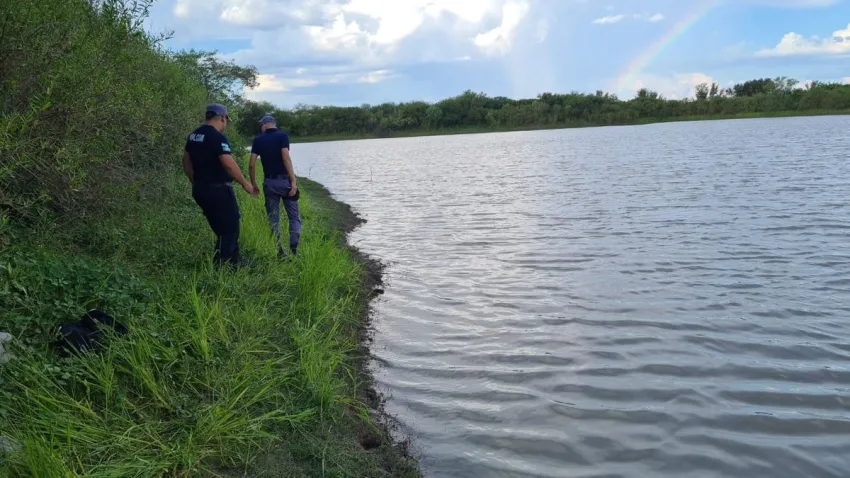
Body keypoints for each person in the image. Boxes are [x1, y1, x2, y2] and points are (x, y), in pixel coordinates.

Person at [182, 104, 258, 268]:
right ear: (223, 118)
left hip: (200, 189)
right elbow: (229, 164)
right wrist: (246, 184)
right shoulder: (217, 137)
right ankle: (223, 267)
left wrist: (194, 181)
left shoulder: (194, 135)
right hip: (218, 190)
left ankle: (235, 261)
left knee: (222, 228)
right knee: (230, 229)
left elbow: (186, 161)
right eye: (226, 121)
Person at [248, 114, 302, 259]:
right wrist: (293, 181)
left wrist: (253, 184)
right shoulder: (283, 136)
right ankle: (294, 249)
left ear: (265, 125)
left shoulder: (258, 139)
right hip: (285, 182)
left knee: (274, 219)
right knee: (294, 217)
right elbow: (285, 157)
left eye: (261, 125)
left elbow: (252, 164)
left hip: (269, 184)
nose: (261, 127)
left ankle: (280, 252)